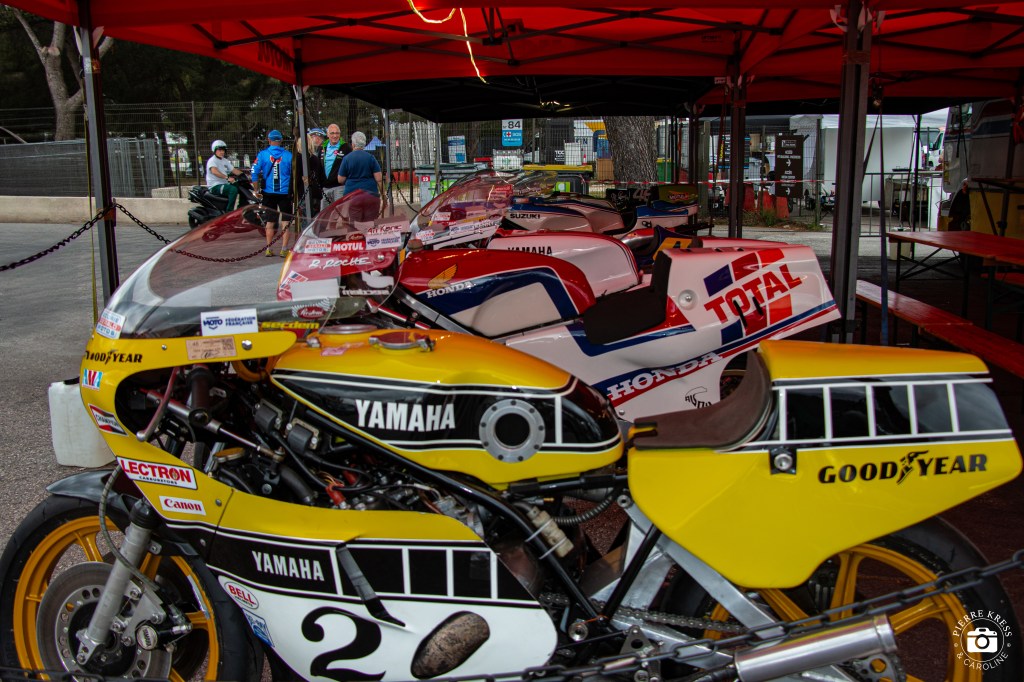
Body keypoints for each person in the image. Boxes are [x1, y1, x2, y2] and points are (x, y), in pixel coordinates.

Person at [251, 129, 294, 257]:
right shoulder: (288, 155)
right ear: (281, 140)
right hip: (284, 193)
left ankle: (269, 248)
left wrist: (256, 190)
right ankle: (284, 249)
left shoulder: (262, 155)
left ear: (269, 140)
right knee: (286, 222)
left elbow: (254, 172)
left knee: (270, 221)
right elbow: (294, 173)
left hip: (268, 193)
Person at [339, 131, 385, 222]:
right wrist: (383, 196)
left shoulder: (346, 159)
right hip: (370, 195)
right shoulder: (371, 158)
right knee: (370, 223)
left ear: (353, 144)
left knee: (355, 223)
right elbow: (379, 179)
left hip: (352, 196)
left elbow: (340, 179)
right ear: (364, 144)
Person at [294, 127, 327, 220]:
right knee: (315, 219)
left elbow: (295, 178)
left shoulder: (297, 159)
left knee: (305, 219)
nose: (317, 139)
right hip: (316, 192)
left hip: (303, 193)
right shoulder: (315, 158)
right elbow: (322, 178)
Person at [205, 139, 244, 212]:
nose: (222, 152)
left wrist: (245, 175)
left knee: (240, 186)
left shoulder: (224, 160)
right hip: (215, 186)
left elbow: (233, 170)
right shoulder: (212, 160)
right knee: (233, 190)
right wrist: (227, 178)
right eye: (219, 150)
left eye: (223, 150)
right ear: (214, 150)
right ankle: (229, 211)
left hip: (224, 184)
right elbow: (214, 171)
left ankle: (242, 207)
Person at [320, 123, 352, 209]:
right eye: (332, 133)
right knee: (325, 213)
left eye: (337, 133)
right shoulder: (322, 148)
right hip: (325, 187)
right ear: (327, 134)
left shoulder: (346, 147)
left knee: (340, 213)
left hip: (339, 187)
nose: (335, 136)